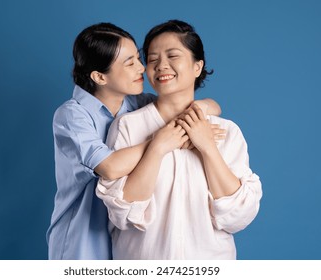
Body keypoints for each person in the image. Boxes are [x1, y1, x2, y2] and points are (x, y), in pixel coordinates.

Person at [46, 22, 222, 259]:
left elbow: (205, 105)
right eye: (130, 63)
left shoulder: (137, 104)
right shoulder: (71, 115)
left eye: (139, 58)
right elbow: (109, 167)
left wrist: (199, 109)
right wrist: (163, 142)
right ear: (100, 76)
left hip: (128, 236)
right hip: (84, 236)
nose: (142, 68)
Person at [96, 20, 262, 259]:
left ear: (197, 66)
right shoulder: (128, 126)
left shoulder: (227, 132)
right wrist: (157, 148)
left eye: (173, 56)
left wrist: (207, 147)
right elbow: (123, 215)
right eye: (152, 59)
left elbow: (239, 216)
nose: (161, 65)